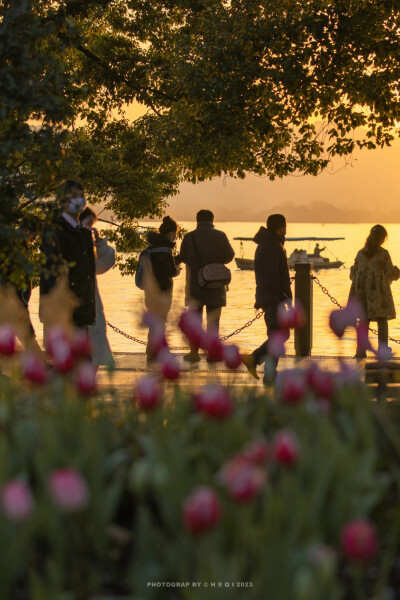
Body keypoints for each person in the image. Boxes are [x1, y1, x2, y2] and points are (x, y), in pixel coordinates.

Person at [179, 209, 235, 362]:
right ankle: (213, 354)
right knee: (213, 321)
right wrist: (216, 262)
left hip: (195, 286)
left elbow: (183, 257)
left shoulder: (189, 237)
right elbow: (230, 256)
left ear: (197, 220)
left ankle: (194, 353)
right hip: (216, 286)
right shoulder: (221, 236)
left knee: (195, 321)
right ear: (212, 219)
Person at [40, 179, 96, 332]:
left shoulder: (83, 233)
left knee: (83, 356)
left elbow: (89, 272)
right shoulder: (55, 231)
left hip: (81, 313)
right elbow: (51, 274)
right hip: (63, 316)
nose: (81, 200)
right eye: (75, 196)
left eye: (82, 195)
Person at [242, 214, 292, 383]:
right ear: (280, 227)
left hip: (270, 296)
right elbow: (273, 275)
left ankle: (269, 371)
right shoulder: (272, 246)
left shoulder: (269, 244)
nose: (286, 230)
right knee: (280, 334)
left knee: (277, 334)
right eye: (285, 226)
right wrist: (283, 296)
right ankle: (257, 361)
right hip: (273, 297)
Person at [349, 224, 400, 358]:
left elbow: (353, 274)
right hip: (379, 294)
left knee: (364, 321)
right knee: (382, 320)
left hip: (362, 294)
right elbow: (391, 273)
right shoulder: (383, 254)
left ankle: (360, 351)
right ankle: (382, 351)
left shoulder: (360, 253)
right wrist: (397, 272)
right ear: (381, 239)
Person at [79, 207, 116, 368]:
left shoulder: (87, 254)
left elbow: (104, 264)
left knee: (95, 356)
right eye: (88, 225)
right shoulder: (72, 249)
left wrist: (100, 243)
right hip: (78, 309)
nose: (90, 229)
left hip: (91, 307)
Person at [142, 216, 180, 360]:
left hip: (150, 289)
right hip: (162, 290)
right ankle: (156, 351)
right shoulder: (165, 249)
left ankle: (152, 350)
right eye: (175, 233)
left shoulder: (152, 247)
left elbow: (159, 266)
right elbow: (169, 271)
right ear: (171, 233)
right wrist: (177, 269)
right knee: (161, 321)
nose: (175, 236)